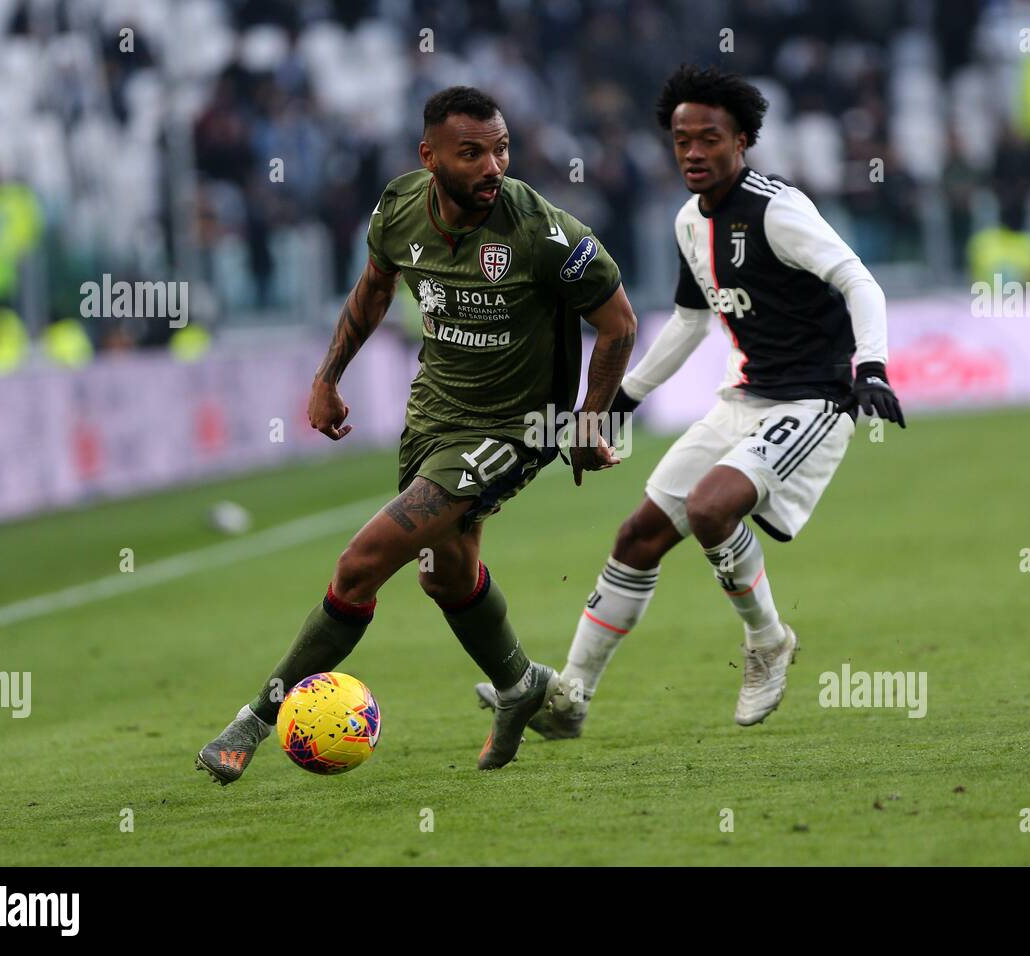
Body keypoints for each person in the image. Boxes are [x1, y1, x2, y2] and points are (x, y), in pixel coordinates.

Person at [196, 86, 636, 782]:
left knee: (362, 561)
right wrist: (327, 376)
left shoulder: (544, 234)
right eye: (473, 153)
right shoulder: (400, 207)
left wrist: (589, 418)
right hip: (433, 416)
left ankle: (255, 718)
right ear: (428, 157)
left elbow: (618, 322)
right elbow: (374, 288)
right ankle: (522, 686)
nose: (494, 166)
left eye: (502, 148)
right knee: (445, 574)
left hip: (515, 427)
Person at [477, 64, 903, 735]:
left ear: (742, 143)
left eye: (710, 139)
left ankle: (768, 641)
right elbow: (690, 321)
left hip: (815, 401)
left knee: (710, 508)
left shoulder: (777, 211)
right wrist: (620, 401)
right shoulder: (687, 222)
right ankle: (570, 699)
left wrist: (871, 368)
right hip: (746, 398)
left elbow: (859, 281)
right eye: (682, 141)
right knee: (638, 536)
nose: (694, 153)